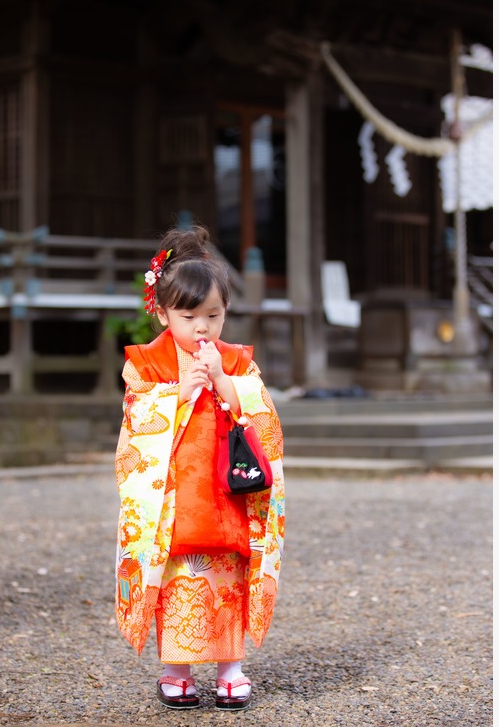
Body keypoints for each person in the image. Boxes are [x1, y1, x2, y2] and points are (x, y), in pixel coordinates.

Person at [113, 224, 287, 712]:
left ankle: (231, 667)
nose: (203, 328)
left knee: (229, 574)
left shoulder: (236, 361)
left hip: (226, 491)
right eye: (189, 316)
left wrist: (225, 384)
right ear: (164, 312)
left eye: (214, 315)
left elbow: (263, 417)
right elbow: (136, 421)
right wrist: (179, 394)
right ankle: (177, 670)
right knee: (174, 577)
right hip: (175, 499)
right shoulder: (147, 364)